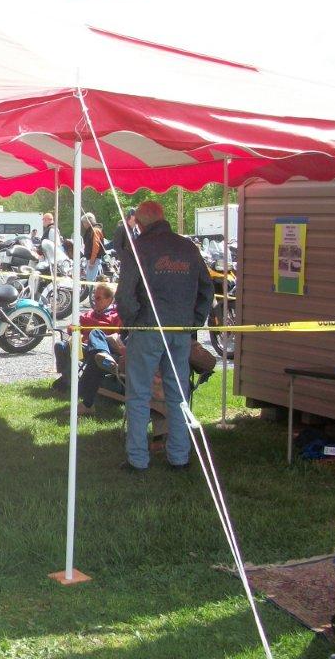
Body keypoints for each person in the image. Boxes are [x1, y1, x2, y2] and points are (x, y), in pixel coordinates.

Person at [115, 200, 213, 472]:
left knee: (138, 395)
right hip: (179, 331)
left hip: (147, 328)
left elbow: (124, 295)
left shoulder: (138, 248)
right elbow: (207, 289)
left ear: (141, 223)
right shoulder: (188, 247)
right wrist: (193, 322)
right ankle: (179, 457)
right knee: (178, 394)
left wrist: (133, 321)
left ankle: (137, 460)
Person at [53, 283, 122, 413]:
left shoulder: (115, 316)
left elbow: (116, 337)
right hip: (83, 347)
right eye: (94, 298)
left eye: (98, 298)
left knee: (95, 334)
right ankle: (68, 381)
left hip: (106, 349)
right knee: (61, 346)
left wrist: (93, 332)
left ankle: (82, 388)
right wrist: (75, 330)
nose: (94, 302)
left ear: (109, 299)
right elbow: (71, 327)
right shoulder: (89, 314)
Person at [82, 212, 104, 284]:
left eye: (84, 223)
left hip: (94, 260)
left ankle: (91, 294)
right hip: (91, 259)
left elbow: (96, 247)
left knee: (90, 282)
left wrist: (92, 261)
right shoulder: (91, 231)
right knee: (89, 280)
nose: (83, 225)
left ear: (88, 222)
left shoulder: (95, 231)